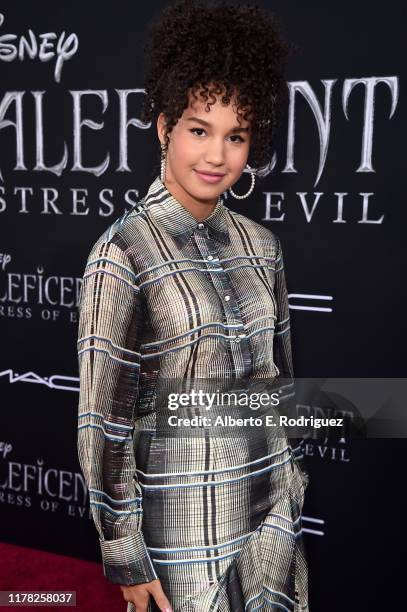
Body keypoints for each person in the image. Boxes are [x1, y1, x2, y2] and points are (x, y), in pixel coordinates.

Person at [76, 1, 310, 610]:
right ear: (163, 128)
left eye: (236, 136)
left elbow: (277, 385)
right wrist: (126, 553)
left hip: (270, 525)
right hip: (183, 536)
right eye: (199, 130)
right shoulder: (122, 253)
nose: (217, 156)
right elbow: (104, 423)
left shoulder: (263, 247)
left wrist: (292, 485)